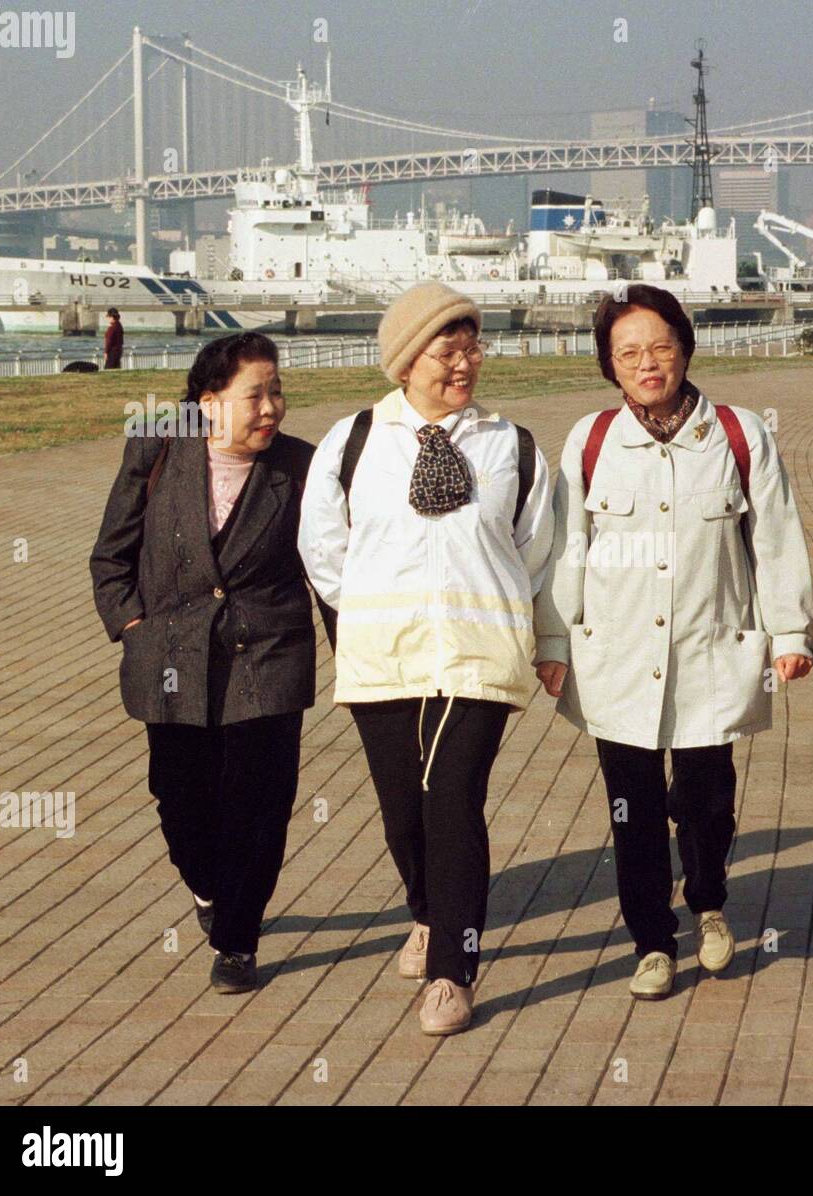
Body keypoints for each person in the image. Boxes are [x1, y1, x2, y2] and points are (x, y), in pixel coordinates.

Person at [534, 284, 813, 1001]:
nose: (647, 362)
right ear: (608, 364)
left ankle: (709, 902)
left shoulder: (740, 433)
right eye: (627, 352)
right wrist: (554, 642)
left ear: (686, 348)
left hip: (711, 650)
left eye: (660, 345)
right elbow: (569, 548)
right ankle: (651, 944)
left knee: (705, 797)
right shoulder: (592, 441)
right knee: (629, 809)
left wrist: (791, 632)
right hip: (617, 660)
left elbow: (776, 538)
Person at [299, 282, 554, 1036]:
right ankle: (426, 911)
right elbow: (324, 549)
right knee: (403, 810)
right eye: (448, 350)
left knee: (452, 802)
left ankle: (453, 970)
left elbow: (537, 550)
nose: (464, 363)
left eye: (473, 346)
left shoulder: (512, 445)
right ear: (406, 360)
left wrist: (532, 631)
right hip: (384, 657)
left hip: (480, 658)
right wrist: (382, 612)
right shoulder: (351, 443)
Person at [90, 332, 316, 994]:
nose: (271, 407)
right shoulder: (157, 449)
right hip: (171, 656)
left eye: (277, 391)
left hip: (268, 655)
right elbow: (112, 552)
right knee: (179, 796)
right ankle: (211, 886)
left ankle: (238, 940)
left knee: (261, 802)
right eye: (256, 395)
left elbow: (329, 570)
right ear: (208, 403)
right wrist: (131, 626)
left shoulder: (299, 467)